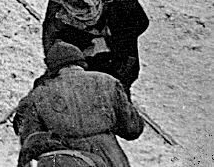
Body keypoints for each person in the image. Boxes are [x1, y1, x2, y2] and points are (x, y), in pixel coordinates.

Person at [14, 42, 144, 167]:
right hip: (110, 157)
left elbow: (31, 140)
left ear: (51, 68)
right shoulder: (107, 82)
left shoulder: (38, 95)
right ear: (80, 60)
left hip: (70, 160)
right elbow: (132, 129)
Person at [42, 0, 149, 94]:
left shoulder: (122, 1)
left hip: (115, 44)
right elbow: (51, 32)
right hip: (78, 38)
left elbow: (140, 23)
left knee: (116, 86)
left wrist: (107, 43)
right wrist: (58, 59)